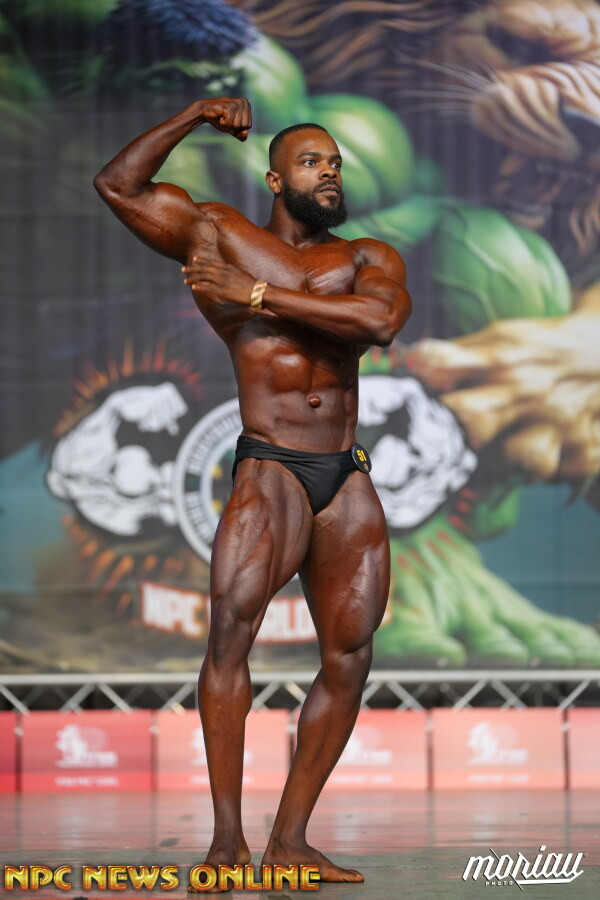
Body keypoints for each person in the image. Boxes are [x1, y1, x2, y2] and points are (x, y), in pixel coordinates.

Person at [94, 97, 411, 886]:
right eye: (311, 162)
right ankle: (227, 841)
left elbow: (377, 323)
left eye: (335, 163)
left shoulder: (366, 255)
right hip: (271, 464)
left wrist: (258, 297)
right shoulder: (220, 234)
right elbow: (119, 187)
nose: (329, 172)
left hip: (344, 472)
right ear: (275, 178)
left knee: (350, 654)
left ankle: (290, 841)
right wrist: (194, 115)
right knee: (230, 636)